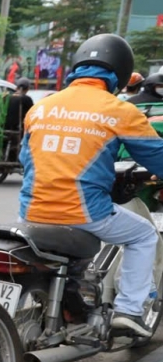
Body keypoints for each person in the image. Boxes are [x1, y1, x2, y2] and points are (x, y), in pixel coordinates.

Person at [19, 33, 163, 337]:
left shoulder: (42, 107)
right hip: (84, 211)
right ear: (122, 72)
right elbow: (157, 158)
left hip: (31, 210)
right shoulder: (120, 110)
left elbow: (26, 159)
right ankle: (128, 310)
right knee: (144, 235)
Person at [4, 77, 34, 154]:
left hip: (4, 126)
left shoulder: (7, 97)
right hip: (18, 127)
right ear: (27, 89)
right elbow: (32, 112)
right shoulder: (26, 99)